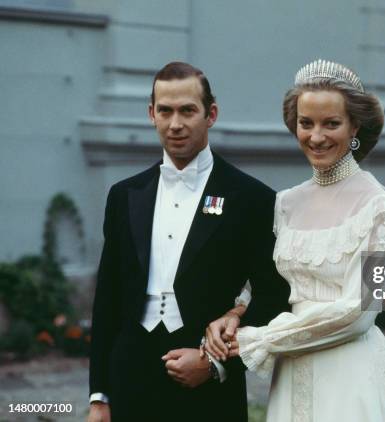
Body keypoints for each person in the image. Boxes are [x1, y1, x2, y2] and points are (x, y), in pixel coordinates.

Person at [206, 59, 385, 421]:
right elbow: (271, 280)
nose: (316, 137)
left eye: (331, 123)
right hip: (293, 371)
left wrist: (260, 340)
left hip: (350, 374)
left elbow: (357, 312)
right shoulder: (285, 203)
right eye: (306, 123)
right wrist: (237, 311)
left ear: (354, 128)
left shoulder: (381, 210)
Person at [88, 61, 290, 422]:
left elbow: (274, 295)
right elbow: (107, 299)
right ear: (151, 114)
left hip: (207, 386)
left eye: (187, 111)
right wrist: (100, 396)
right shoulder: (124, 195)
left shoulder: (252, 198)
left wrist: (216, 364)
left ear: (210, 114)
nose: (175, 124)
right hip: (130, 377)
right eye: (165, 111)